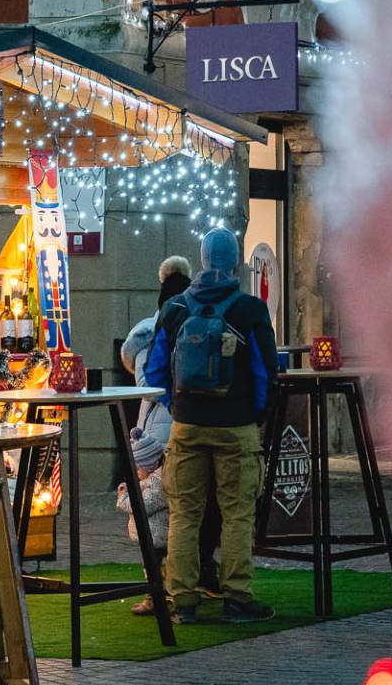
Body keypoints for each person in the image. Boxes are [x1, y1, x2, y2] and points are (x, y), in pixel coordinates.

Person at [145, 228, 279, 625]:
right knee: (238, 514)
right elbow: (264, 374)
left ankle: (182, 599)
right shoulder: (250, 311)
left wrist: (180, 406)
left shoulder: (174, 309)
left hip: (186, 427)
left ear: (202, 259)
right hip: (236, 427)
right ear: (235, 260)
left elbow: (155, 373)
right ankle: (237, 596)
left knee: (185, 514)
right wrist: (250, 416)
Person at [119, 256, 219, 617]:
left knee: (159, 513)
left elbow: (148, 385)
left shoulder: (151, 330)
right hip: (191, 423)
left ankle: (161, 590)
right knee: (189, 508)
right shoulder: (196, 319)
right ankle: (192, 580)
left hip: (158, 429)